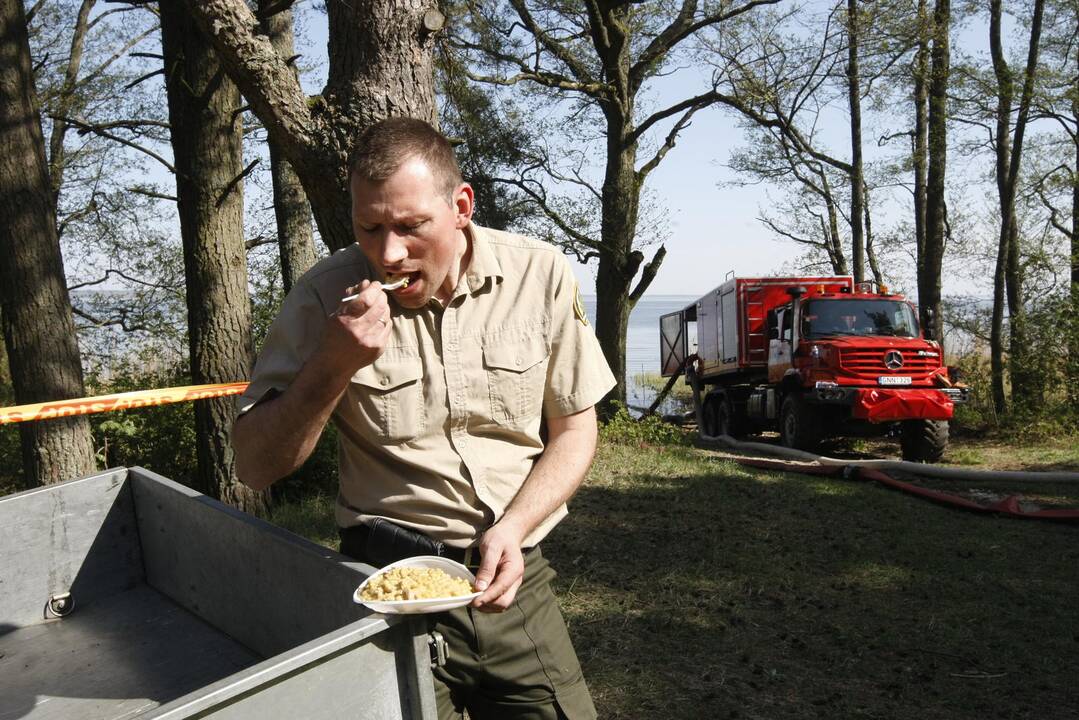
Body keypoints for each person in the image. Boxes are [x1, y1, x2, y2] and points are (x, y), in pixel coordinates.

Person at [232, 117, 615, 719]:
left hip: (513, 577)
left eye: (411, 227)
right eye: (369, 228)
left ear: (460, 206)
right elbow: (255, 466)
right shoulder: (321, 298)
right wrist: (334, 364)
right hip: (385, 590)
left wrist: (513, 529)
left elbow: (575, 428)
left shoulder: (538, 274)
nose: (387, 254)